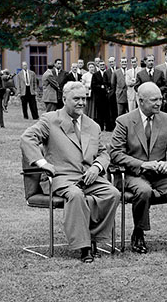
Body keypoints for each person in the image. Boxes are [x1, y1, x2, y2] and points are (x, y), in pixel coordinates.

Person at [20, 81, 121, 263]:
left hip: (89, 178)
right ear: (64, 98)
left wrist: (96, 167)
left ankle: (93, 237)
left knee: (113, 193)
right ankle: (83, 247)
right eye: (77, 99)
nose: (82, 102)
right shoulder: (50, 120)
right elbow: (27, 138)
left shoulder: (93, 125)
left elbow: (103, 153)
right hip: (61, 178)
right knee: (75, 195)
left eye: (84, 98)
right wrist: (42, 163)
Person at [109, 83, 167, 258]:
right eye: (154, 100)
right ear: (140, 101)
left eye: (160, 99)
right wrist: (142, 164)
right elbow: (115, 153)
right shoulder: (124, 121)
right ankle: (138, 232)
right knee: (144, 190)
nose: (159, 103)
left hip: (160, 174)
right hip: (132, 174)